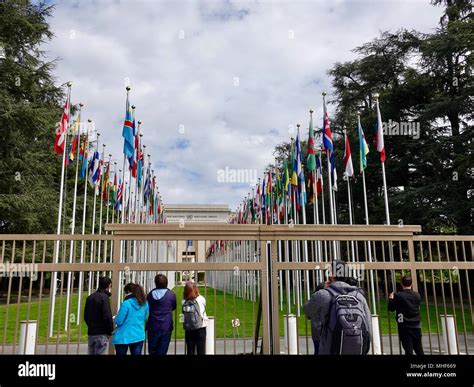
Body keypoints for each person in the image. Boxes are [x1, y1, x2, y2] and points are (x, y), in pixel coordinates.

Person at [304, 261, 372, 355]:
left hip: (329, 348)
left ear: (331, 275)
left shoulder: (323, 295)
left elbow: (307, 310)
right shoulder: (359, 296)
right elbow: (368, 325)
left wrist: (321, 290)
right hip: (356, 349)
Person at [388, 276, 424, 355]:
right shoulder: (417, 295)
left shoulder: (398, 295)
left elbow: (391, 308)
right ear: (411, 284)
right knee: (419, 349)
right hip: (416, 324)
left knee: (408, 349)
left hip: (404, 325)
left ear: (401, 284)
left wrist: (391, 299)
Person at [112, 283, 149, 355]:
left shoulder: (126, 303)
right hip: (138, 335)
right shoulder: (145, 304)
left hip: (123, 336)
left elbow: (119, 321)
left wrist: (115, 317)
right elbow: (145, 318)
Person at [146, 274, 177, 355]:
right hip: (166, 326)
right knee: (162, 351)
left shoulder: (150, 294)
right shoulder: (171, 294)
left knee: (152, 350)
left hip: (153, 326)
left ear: (155, 283)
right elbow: (173, 307)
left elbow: (148, 306)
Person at [84, 276, 114, 355]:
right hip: (101, 333)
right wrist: (110, 331)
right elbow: (107, 316)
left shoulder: (90, 297)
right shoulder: (104, 298)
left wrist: (91, 326)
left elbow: (86, 316)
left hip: (91, 332)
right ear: (108, 285)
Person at [182, 281, 208, 355]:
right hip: (201, 326)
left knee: (190, 351)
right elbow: (204, 304)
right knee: (201, 350)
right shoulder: (201, 299)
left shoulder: (184, 301)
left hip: (189, 327)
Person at [303, 281, 327, 355]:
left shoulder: (314, 299)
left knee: (317, 350)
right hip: (325, 332)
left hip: (317, 331)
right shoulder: (329, 297)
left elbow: (307, 312)